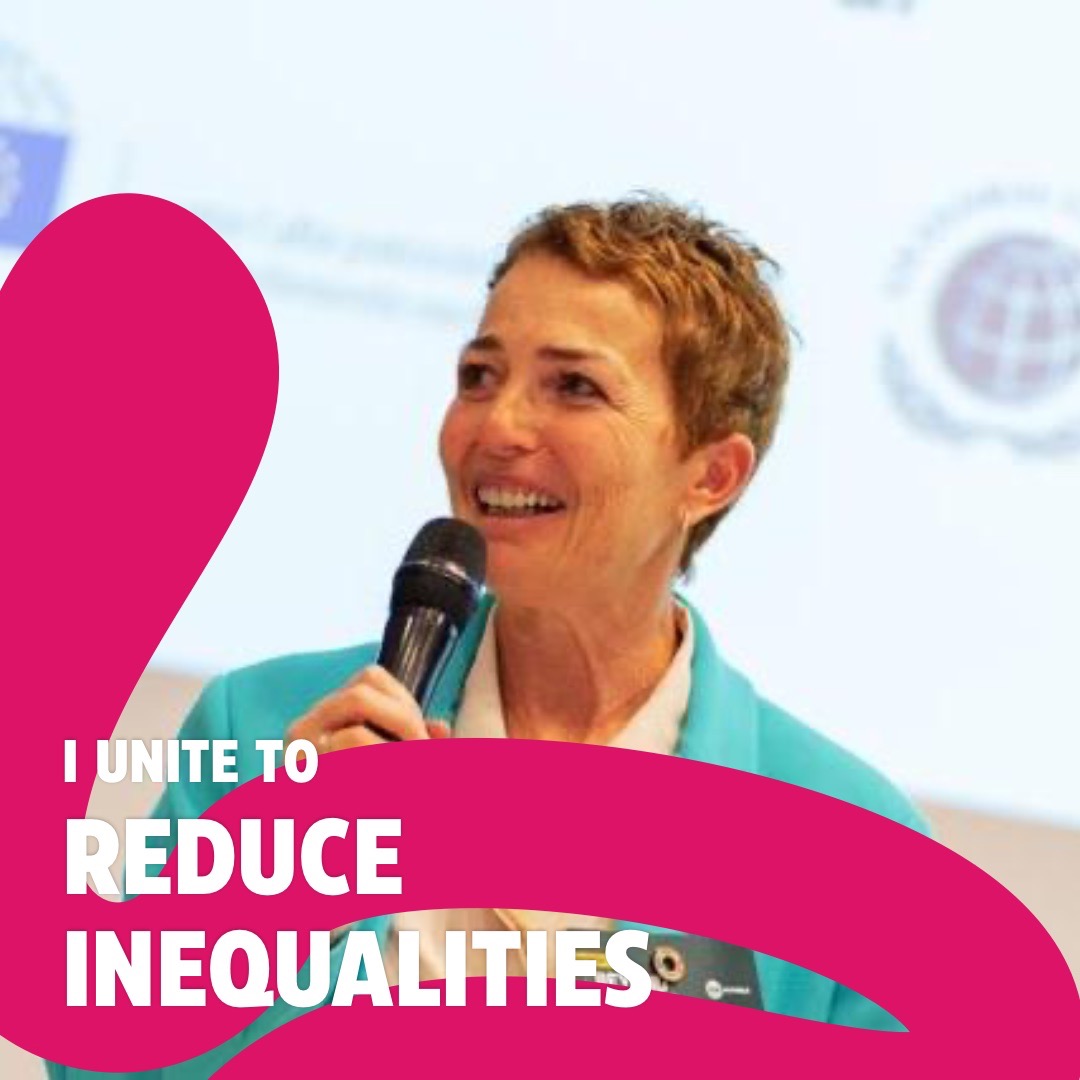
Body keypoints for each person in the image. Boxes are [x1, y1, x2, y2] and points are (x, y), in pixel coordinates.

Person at [47, 196, 930, 1080]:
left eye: (574, 387)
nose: (496, 427)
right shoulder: (262, 724)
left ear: (711, 475)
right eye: (479, 375)